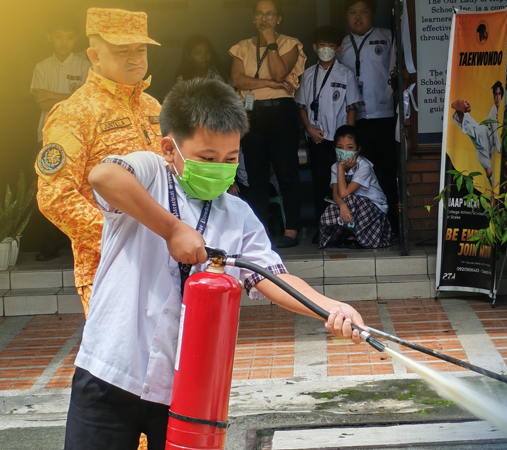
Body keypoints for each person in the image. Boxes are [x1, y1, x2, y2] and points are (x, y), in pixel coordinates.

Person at [64, 79, 367, 449]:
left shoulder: (237, 214)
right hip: (110, 370)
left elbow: (272, 277)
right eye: (207, 159)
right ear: (169, 148)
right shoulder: (149, 172)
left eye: (230, 159)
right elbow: (103, 176)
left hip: (186, 386)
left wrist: (329, 307)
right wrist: (172, 229)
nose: (220, 168)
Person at [35, 8, 163, 317]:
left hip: (163, 259)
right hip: (108, 265)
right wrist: (120, 239)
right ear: (94, 55)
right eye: (122, 50)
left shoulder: (152, 106)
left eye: (141, 49)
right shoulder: (74, 113)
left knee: (166, 346)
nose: (135, 58)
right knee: (117, 348)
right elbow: (55, 198)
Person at [230, 0, 306, 248]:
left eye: (270, 14)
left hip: (281, 113)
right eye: (260, 14)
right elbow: (237, 80)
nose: (264, 18)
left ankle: (291, 230)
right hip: (252, 113)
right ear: (253, 17)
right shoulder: (242, 47)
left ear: (278, 18)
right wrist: (272, 85)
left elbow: (279, 73)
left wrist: (271, 42)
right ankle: (261, 233)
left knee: (286, 171)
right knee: (256, 176)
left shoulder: (289, 43)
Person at [30, 14, 91, 261]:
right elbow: (40, 101)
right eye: (59, 37)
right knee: (51, 188)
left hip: (81, 138)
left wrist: (52, 95)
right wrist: (70, 96)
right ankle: (51, 244)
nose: (64, 42)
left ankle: (81, 243)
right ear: (50, 38)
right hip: (49, 137)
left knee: (81, 189)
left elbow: (85, 99)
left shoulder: (85, 66)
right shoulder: (42, 66)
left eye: (69, 37)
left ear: (76, 39)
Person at [295, 25, 363, 243]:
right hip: (317, 138)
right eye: (322, 45)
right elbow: (301, 106)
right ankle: (322, 227)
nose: (326, 49)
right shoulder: (307, 74)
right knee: (320, 183)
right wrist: (309, 129)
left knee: (342, 183)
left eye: (331, 45)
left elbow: (351, 108)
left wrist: (348, 140)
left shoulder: (345, 73)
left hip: (339, 141)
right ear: (315, 47)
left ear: (339, 49)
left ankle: (344, 228)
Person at [337, 0, 398, 229]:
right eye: (352, 12)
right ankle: (366, 224)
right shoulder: (342, 45)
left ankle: (393, 223)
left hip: (384, 116)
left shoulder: (387, 37)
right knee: (361, 175)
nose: (358, 17)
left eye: (363, 12)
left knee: (387, 171)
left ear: (372, 14)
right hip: (356, 121)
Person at [319, 125, 392, 249]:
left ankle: (361, 234)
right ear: (334, 148)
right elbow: (336, 195)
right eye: (340, 147)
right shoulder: (334, 167)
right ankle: (354, 234)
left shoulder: (364, 166)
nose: (345, 151)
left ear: (358, 150)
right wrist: (342, 206)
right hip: (351, 208)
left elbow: (343, 193)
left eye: (350, 147)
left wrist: (341, 168)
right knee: (332, 209)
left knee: (354, 199)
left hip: (373, 211)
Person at [450, 81, 504, 187]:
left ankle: (460, 114)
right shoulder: (493, 111)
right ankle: (460, 112)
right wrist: (500, 149)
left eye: (499, 94)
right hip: (485, 134)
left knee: (490, 173)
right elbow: (495, 134)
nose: (497, 97)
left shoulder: (500, 110)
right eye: (496, 94)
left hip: (486, 149)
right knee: (475, 129)